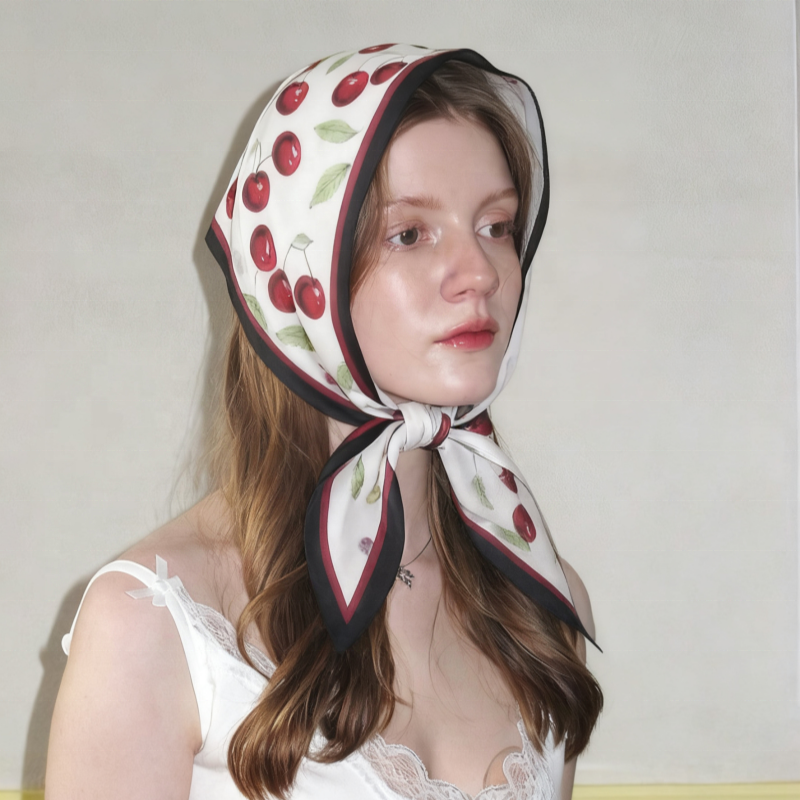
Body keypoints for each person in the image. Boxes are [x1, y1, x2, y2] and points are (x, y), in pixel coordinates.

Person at [46, 45, 603, 800]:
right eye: (409, 234)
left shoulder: (543, 609)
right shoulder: (152, 622)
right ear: (298, 278)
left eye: (496, 225)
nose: (480, 273)